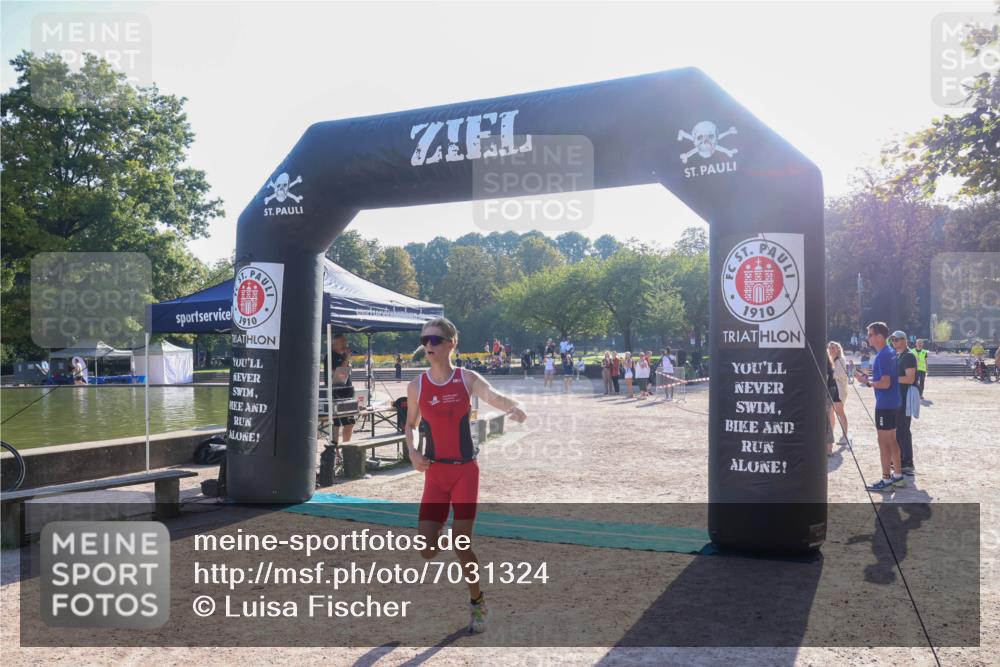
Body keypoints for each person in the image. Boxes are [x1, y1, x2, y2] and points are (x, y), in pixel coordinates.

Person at [404, 317, 527, 634]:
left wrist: (515, 406)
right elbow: (410, 425)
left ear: (451, 344)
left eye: (435, 340)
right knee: (427, 551)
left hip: (464, 474)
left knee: (462, 544)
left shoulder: (466, 379)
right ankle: (443, 530)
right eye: (425, 340)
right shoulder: (416, 385)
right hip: (435, 473)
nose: (428, 346)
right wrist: (413, 452)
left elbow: (495, 397)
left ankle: (478, 602)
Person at [854, 322, 905, 492]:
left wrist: (867, 382)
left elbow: (885, 383)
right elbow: (886, 378)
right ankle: (898, 476)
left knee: (884, 442)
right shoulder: (889, 352)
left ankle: (886, 479)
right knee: (892, 440)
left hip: (885, 404)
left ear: (879, 337)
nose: (867, 337)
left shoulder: (883, 355)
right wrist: (869, 378)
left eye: (870, 334)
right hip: (893, 402)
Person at [891, 330, 918, 476]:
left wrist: (891, 379)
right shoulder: (898, 355)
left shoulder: (908, 356)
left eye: (897, 339)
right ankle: (899, 459)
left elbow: (910, 379)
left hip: (904, 398)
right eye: (893, 340)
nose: (894, 342)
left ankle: (907, 461)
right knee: (897, 429)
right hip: (896, 398)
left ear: (905, 340)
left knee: (903, 429)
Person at [329, 334, 357, 444]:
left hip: (347, 393)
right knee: (337, 424)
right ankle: (336, 453)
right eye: (342, 342)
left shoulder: (342, 356)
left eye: (345, 342)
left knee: (350, 423)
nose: (345, 345)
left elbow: (345, 373)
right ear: (334, 343)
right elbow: (337, 374)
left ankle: (346, 448)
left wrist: (346, 359)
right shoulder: (330, 356)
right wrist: (346, 359)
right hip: (337, 394)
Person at [828, 341, 850, 445]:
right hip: (831, 389)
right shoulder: (830, 360)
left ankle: (845, 436)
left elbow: (838, 374)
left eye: (834, 348)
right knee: (830, 413)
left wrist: (829, 371)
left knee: (840, 412)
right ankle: (830, 435)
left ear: (838, 349)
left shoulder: (840, 360)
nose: (832, 349)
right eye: (830, 348)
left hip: (839, 390)